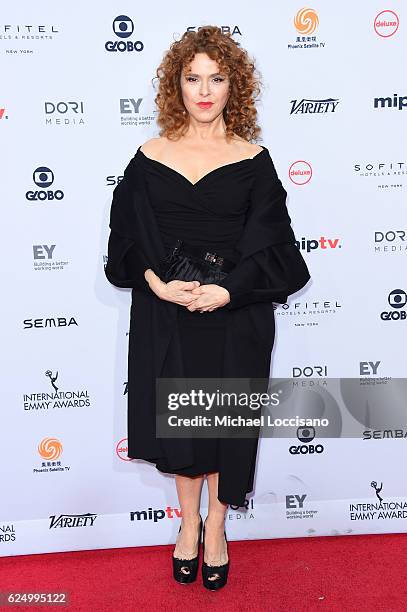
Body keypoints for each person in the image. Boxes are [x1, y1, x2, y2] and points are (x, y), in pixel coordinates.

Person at [105, 25, 310, 590]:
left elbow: (276, 249)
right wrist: (157, 283)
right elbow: (124, 241)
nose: (203, 90)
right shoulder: (147, 158)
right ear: (177, 84)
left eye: (216, 79)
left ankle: (217, 526)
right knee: (182, 425)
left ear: (232, 86)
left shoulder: (254, 160)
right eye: (192, 78)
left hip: (233, 312)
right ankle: (187, 523)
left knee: (222, 424)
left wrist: (226, 290)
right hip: (167, 311)